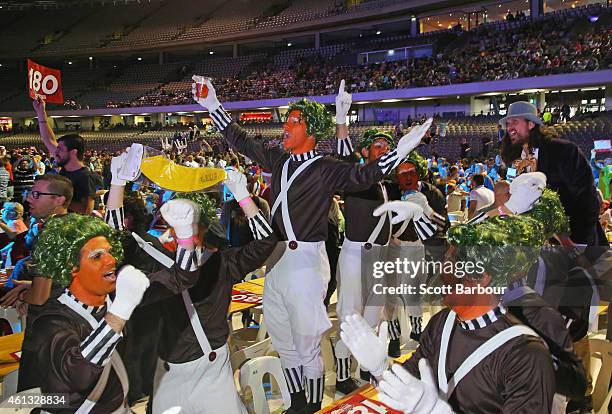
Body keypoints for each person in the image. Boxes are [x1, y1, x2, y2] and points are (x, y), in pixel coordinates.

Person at [192, 76, 428, 413]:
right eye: (287, 120)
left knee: (307, 346)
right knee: (283, 340)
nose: (286, 126)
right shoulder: (278, 160)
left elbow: (363, 176)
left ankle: (314, 405)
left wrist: (402, 150)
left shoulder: (326, 168)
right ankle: (298, 402)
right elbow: (240, 139)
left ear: (312, 131)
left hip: (305, 262)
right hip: (275, 261)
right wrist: (213, 105)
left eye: (295, 122)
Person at [341, 206, 557, 413]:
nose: (443, 271)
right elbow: (409, 382)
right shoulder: (442, 323)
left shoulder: (526, 355)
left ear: (481, 278)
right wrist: (380, 369)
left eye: (453, 263)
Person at [24, 207, 199, 413]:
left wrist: (186, 236)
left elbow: (182, 278)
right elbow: (79, 374)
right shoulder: (51, 319)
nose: (111, 260)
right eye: (97, 256)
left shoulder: (115, 294)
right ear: (70, 266)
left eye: (110, 252)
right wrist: (120, 310)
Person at [152, 171, 276, 414]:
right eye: (178, 225)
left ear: (204, 228)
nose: (184, 232)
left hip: (214, 371)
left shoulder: (222, 262)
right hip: (170, 374)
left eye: (190, 225)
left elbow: (266, 243)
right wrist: (117, 185)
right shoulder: (160, 264)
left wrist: (243, 196)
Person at [500, 101, 606, 246]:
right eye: (507, 124)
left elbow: (587, 200)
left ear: (531, 124)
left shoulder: (564, 151)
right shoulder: (517, 161)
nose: (510, 127)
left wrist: (578, 244)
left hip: (574, 243)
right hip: (539, 247)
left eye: (515, 122)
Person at [33, 97, 97, 214]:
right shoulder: (65, 167)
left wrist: (57, 199)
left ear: (73, 152)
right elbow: (49, 140)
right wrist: (41, 113)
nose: (55, 152)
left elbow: (86, 210)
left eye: (60, 149)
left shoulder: (85, 176)